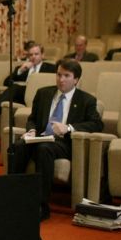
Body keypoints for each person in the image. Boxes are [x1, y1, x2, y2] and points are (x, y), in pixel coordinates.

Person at [11, 58, 103, 221]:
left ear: (76, 79)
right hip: (40, 137)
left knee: (44, 149)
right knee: (18, 145)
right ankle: (12, 196)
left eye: (66, 76)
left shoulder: (86, 100)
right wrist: (31, 130)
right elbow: (32, 119)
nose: (61, 79)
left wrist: (68, 127)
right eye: (59, 75)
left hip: (63, 143)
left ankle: (41, 206)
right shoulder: (43, 93)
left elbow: (97, 124)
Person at [0, 43, 56, 124]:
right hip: (22, 95)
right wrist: (20, 70)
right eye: (31, 55)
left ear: (42, 55)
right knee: (14, 88)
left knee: (15, 88)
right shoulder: (22, 68)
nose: (33, 57)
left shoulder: (51, 68)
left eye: (36, 54)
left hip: (38, 93)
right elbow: (6, 82)